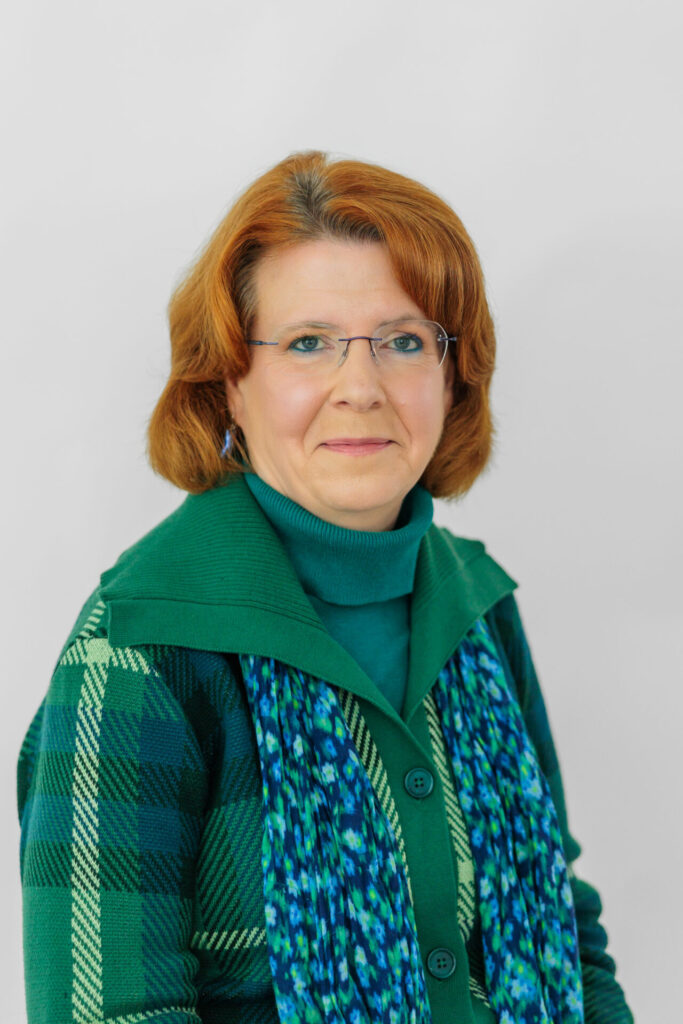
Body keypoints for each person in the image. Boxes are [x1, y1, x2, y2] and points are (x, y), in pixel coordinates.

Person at [17, 150, 634, 1024]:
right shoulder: (138, 652)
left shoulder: (477, 605)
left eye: (403, 341)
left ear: (451, 375)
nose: (361, 388)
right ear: (231, 383)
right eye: (308, 343)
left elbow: (564, 933)